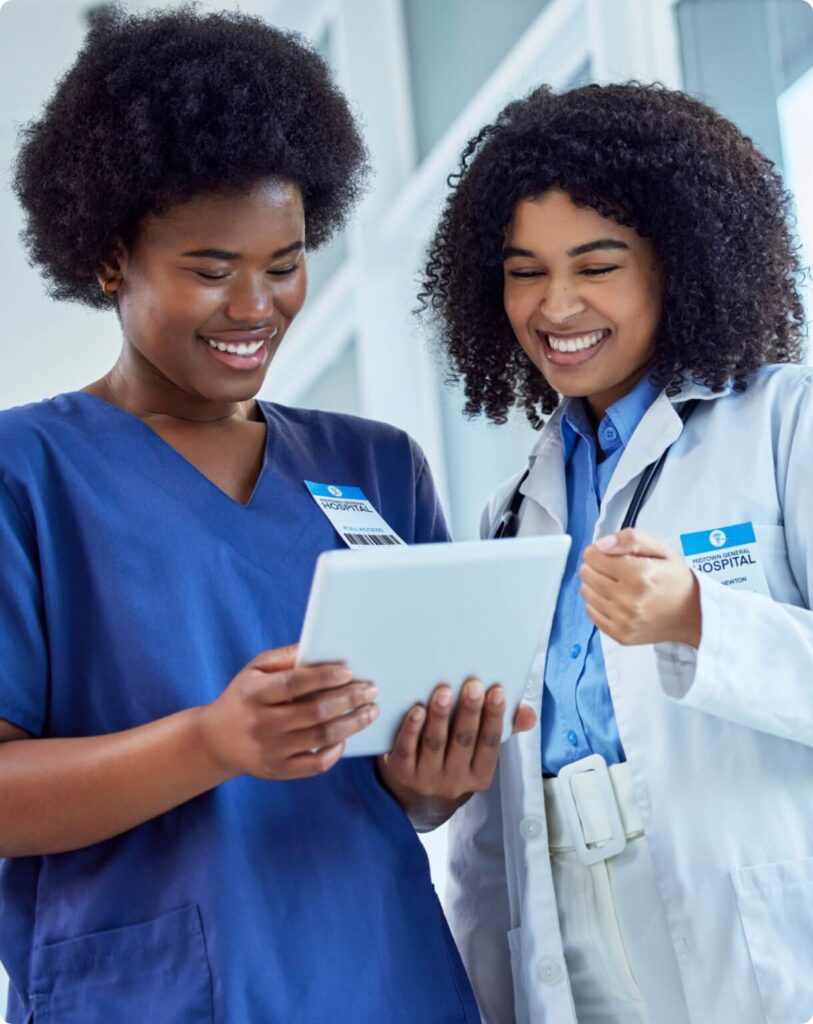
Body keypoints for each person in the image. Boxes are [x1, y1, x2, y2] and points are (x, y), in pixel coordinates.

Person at [0, 9, 530, 1022]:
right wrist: (212, 740)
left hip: (385, 977)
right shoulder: (26, 474)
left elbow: (399, 796)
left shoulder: (373, 466)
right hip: (155, 993)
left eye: (283, 263)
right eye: (209, 269)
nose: (255, 305)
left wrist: (437, 776)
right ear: (113, 258)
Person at [418, 82, 813, 1024]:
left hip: (753, 915)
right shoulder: (511, 514)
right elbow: (486, 830)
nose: (556, 306)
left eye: (596, 265)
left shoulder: (781, 424)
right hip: (567, 931)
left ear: (674, 264)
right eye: (523, 272)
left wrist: (698, 618)